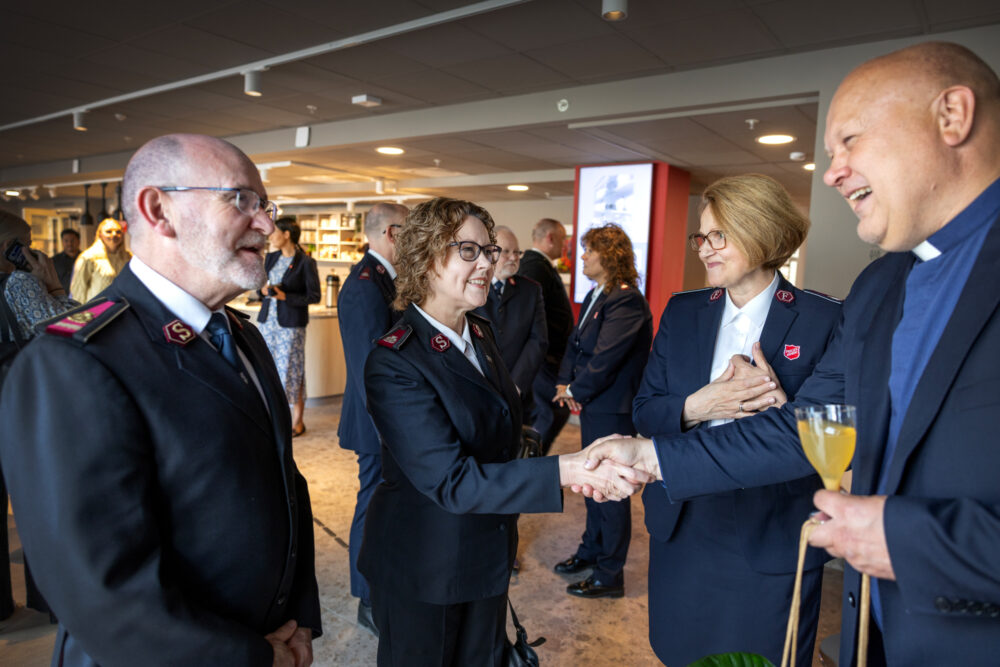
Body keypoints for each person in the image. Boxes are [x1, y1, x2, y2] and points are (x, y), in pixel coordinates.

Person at [581, 41, 1000, 667]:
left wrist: (905, 539)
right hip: (879, 627)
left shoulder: (831, 309)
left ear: (952, 116)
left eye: (850, 141)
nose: (832, 173)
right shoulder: (881, 286)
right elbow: (808, 429)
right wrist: (653, 449)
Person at [0, 133, 322, 666]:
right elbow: (101, 594)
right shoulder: (74, 360)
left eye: (265, 205)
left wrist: (300, 618)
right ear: (160, 211)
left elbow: (285, 483)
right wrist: (251, 658)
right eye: (241, 199)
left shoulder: (241, 336)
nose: (265, 224)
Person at [358, 197, 650, 666]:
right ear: (428, 258)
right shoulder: (395, 360)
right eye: (469, 251)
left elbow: (500, 441)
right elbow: (451, 481)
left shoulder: (479, 333)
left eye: (488, 251)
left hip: (483, 554)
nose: (487, 264)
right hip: (427, 567)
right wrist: (563, 469)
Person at [632, 174, 841, 666]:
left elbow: (834, 432)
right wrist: (698, 406)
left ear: (760, 232)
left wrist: (780, 411)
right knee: (679, 651)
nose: (704, 248)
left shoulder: (825, 319)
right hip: (684, 520)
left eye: (718, 236)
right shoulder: (682, 312)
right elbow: (644, 411)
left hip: (771, 529)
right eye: (701, 236)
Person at [552, 223, 653, 599]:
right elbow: (576, 345)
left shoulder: (627, 300)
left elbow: (606, 358)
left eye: (588, 251)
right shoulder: (598, 293)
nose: (582, 257)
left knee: (611, 491)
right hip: (596, 404)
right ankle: (590, 551)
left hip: (614, 409)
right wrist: (566, 386)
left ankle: (609, 575)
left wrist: (576, 389)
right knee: (593, 482)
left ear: (608, 256)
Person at [336, 201, 408, 635]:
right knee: (371, 504)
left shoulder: (387, 280)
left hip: (389, 420)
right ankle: (366, 597)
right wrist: (391, 429)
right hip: (376, 421)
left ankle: (383, 582)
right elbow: (370, 368)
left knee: (385, 505)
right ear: (392, 234)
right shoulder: (366, 285)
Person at [0, 211, 75, 623]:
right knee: (37, 500)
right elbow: (74, 328)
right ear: (9, 248)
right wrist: (55, 286)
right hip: (24, 404)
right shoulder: (21, 281)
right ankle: (47, 599)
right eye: (24, 242)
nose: (32, 249)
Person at [258, 217, 321, 437]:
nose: (270, 235)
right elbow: (260, 286)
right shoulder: (271, 257)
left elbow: (314, 296)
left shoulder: (305, 262)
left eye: (274, 232)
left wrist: (286, 296)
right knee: (269, 369)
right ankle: (273, 416)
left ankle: (297, 420)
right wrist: (262, 292)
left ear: (286, 234)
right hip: (268, 323)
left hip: (291, 326)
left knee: (292, 369)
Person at [473, 225, 547, 408]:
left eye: (517, 252)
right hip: (476, 384)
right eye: (506, 251)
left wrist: (516, 384)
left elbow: (538, 340)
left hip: (518, 389)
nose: (514, 257)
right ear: (489, 253)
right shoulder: (472, 286)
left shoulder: (531, 290)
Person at [518, 218, 574, 453]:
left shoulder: (541, 265)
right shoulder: (534, 266)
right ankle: (531, 461)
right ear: (550, 238)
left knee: (552, 412)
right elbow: (527, 314)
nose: (564, 247)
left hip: (548, 358)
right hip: (545, 358)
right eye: (562, 241)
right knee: (551, 413)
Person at [70, 217, 130, 302]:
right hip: (97, 311)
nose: (114, 234)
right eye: (108, 231)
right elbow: (78, 291)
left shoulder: (128, 258)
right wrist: (82, 313)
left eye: (118, 232)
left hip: (123, 309)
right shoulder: (89, 257)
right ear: (100, 234)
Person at [51, 227, 81, 293]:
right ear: (62, 242)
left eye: (72, 240)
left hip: (84, 298)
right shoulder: (54, 261)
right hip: (62, 298)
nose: (69, 243)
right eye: (66, 241)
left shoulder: (86, 259)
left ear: (78, 241)